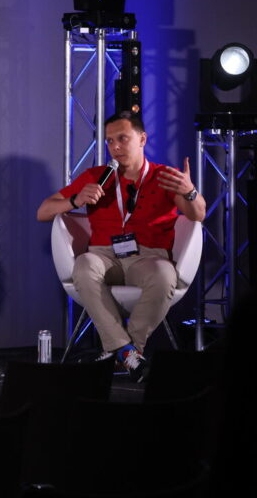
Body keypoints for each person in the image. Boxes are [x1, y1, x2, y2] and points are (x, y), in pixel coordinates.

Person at [36, 110, 206, 380]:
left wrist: (190, 192)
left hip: (148, 257)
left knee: (165, 274)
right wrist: (75, 200)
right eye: (109, 141)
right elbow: (43, 212)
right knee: (84, 265)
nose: (115, 147)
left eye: (122, 138)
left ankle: (122, 351)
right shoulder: (97, 175)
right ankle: (127, 353)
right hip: (104, 255)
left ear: (142, 139)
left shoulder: (164, 176)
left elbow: (198, 215)